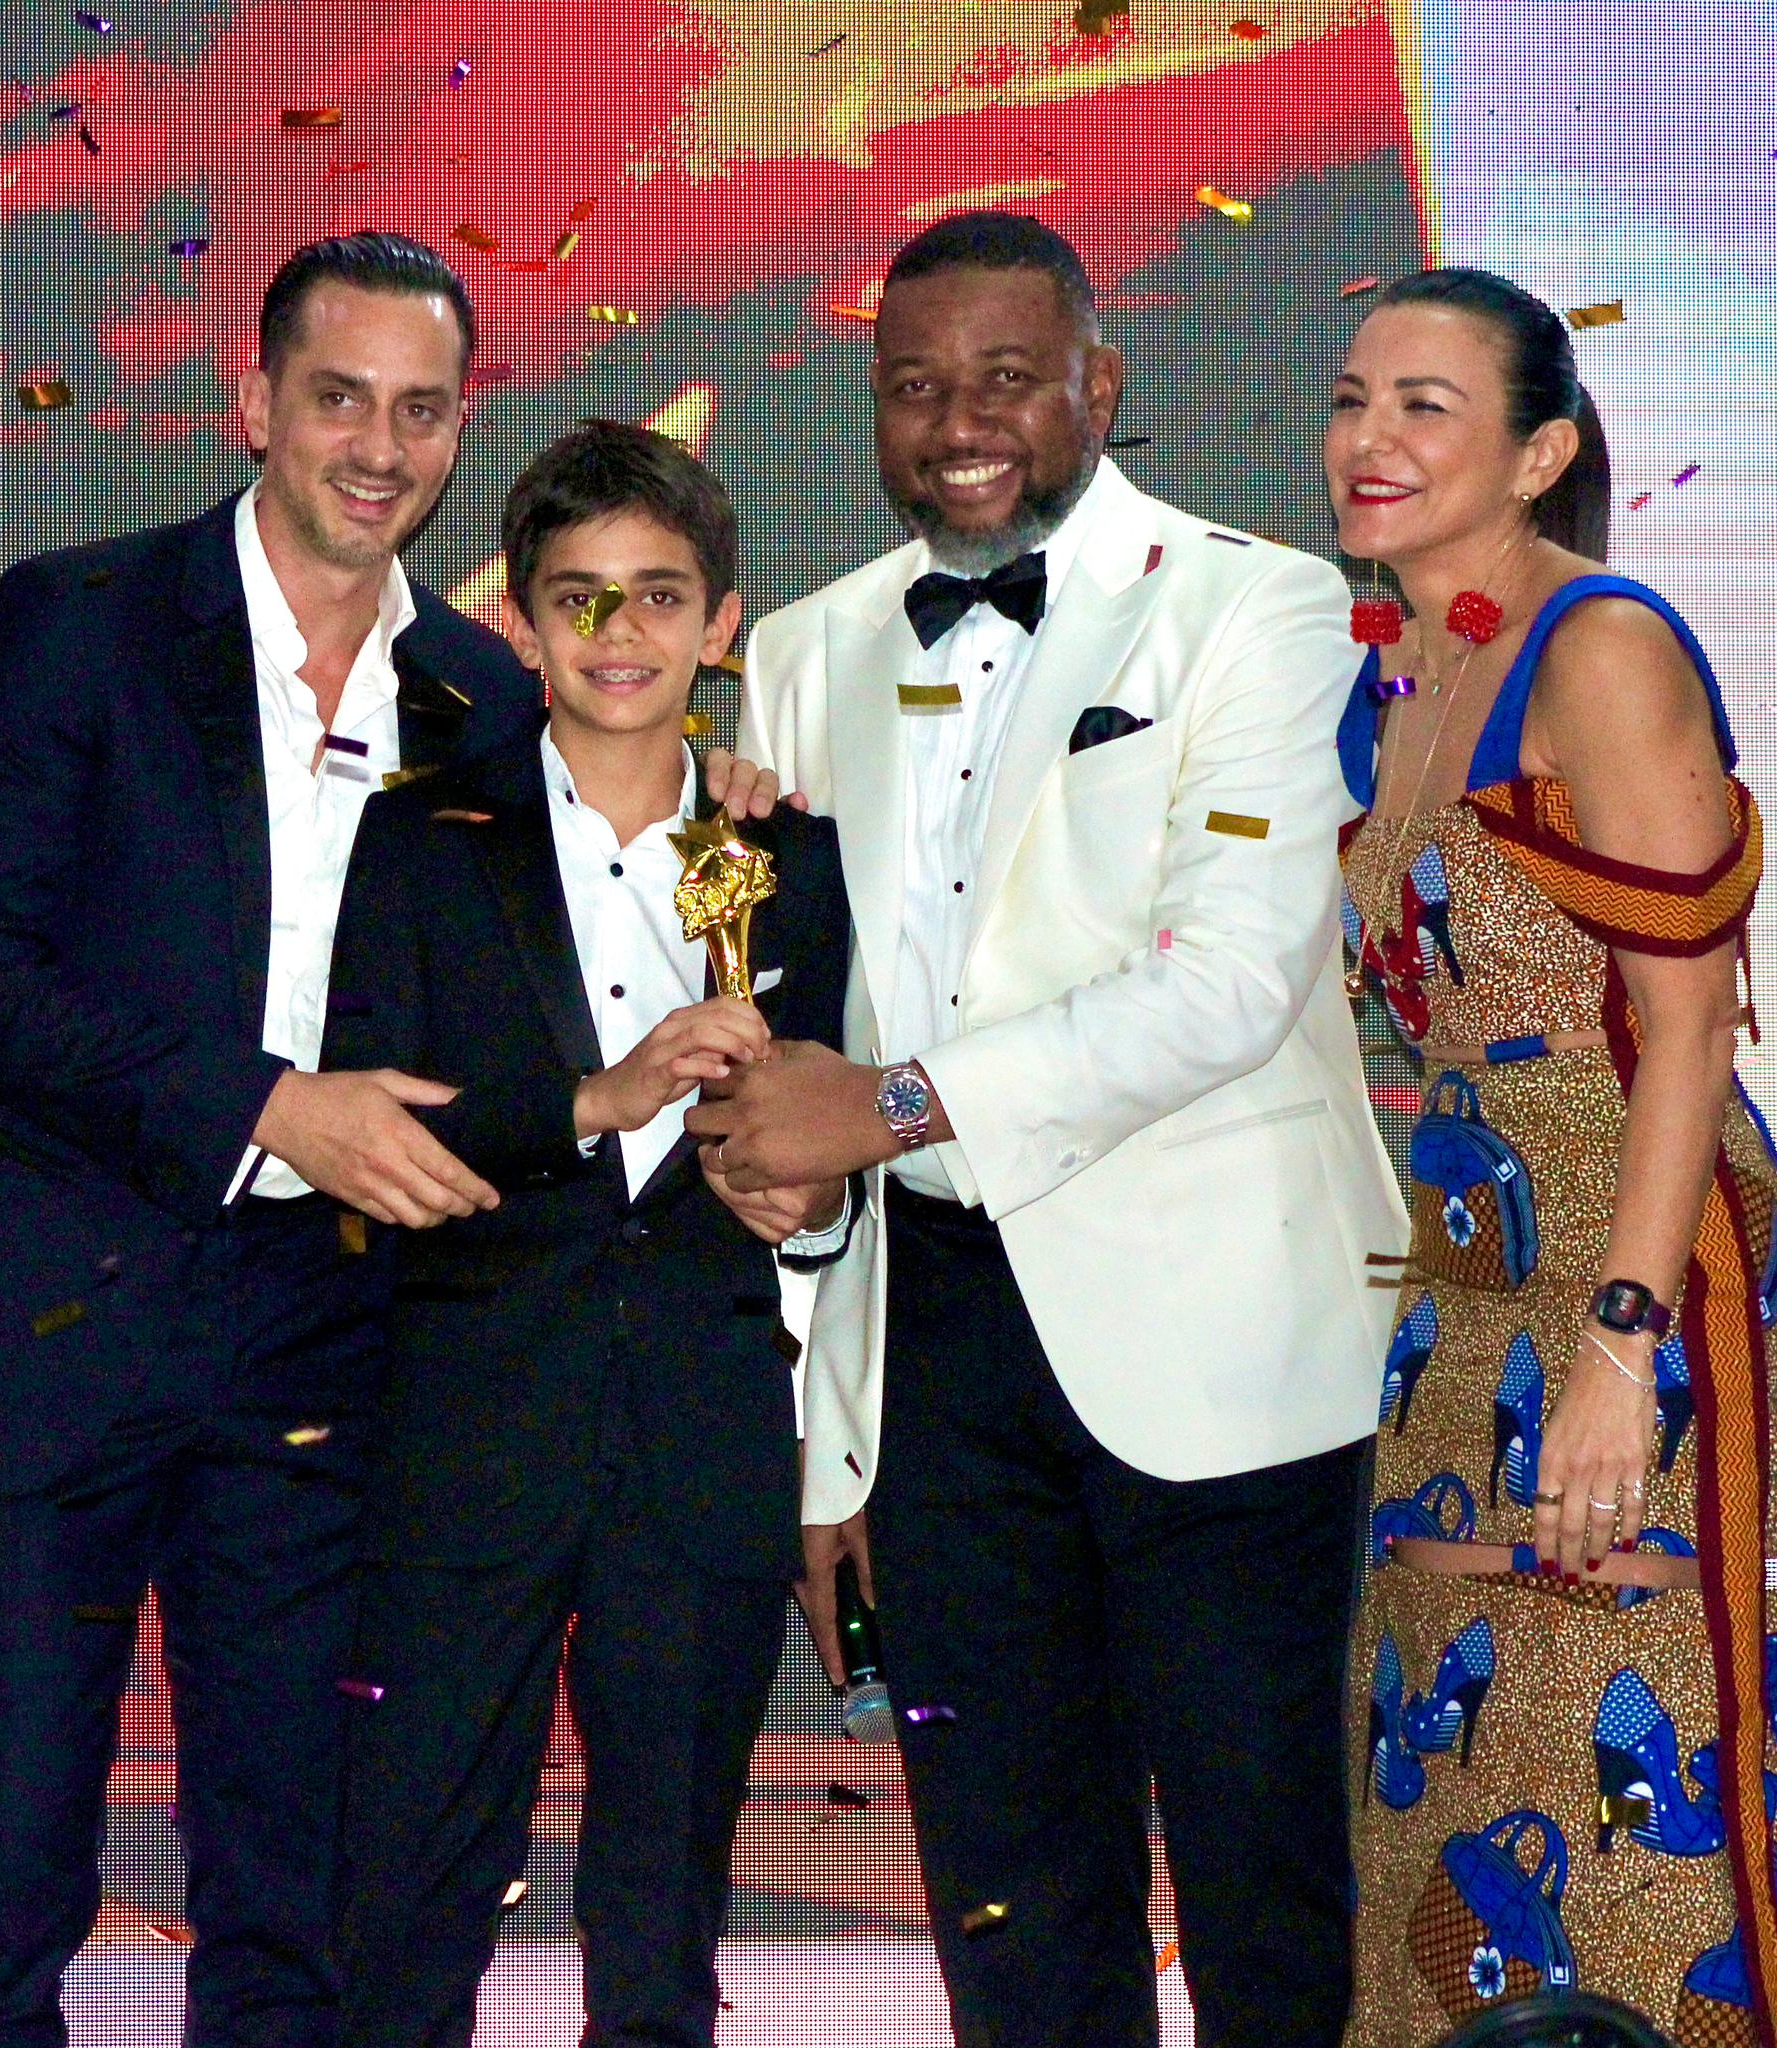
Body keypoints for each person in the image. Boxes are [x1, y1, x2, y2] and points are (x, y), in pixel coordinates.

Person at [685, 210, 1408, 2046]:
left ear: (1101, 382)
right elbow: (794, 1053)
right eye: (915, 386)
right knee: (1005, 1890)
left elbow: (1230, 982)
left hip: (1223, 1334)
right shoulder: (805, 652)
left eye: (1007, 378)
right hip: (930, 1348)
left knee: (1265, 1885)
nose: (959, 425)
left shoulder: (1258, 604)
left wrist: (889, 1107)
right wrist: (829, 1450)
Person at [0, 231, 543, 2048]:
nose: (379, 447)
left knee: (289, 1887)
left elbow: (536, 988)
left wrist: (729, 805)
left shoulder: (486, 696)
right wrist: (266, 1107)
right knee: (7, 1874)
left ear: (460, 431)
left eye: (421, 410)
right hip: (44, 1319)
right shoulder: (78, 617)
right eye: (340, 398)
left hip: (325, 1338)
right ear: (255, 403)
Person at [1326, 268, 1777, 2047]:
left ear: (1542, 451)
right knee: (1447, 1732)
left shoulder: (1600, 646)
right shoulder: (1395, 667)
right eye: (1352, 400)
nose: (1369, 438)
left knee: (1635, 1721)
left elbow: (1690, 1030)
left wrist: (1621, 1349)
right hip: (1466, 1263)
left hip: (1645, 1258)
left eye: (1425, 405)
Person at [323, 422, 856, 2048]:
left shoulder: (790, 856)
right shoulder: (421, 837)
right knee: (409, 1884)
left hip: (703, 1428)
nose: (619, 635)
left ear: (721, 625)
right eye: (579, 598)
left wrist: (813, 1196)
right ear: (523, 623)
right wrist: (598, 1098)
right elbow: (372, 1128)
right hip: (464, 1430)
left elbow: (837, 1125)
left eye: (658, 597)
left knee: (663, 1904)